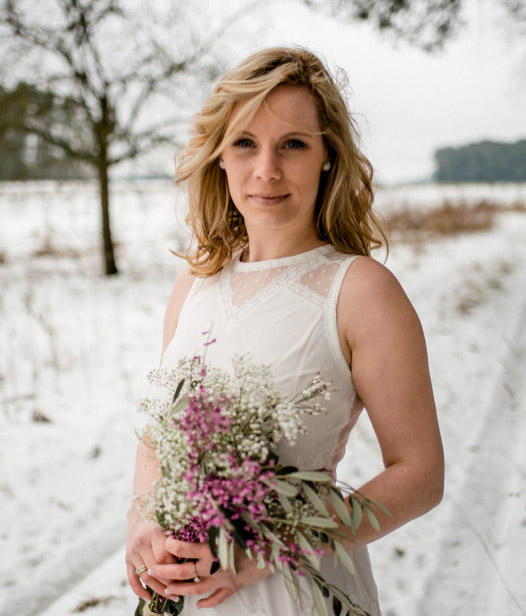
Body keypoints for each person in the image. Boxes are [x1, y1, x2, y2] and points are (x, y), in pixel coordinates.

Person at [126, 46, 444, 615]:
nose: (266, 170)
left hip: (298, 593)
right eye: (245, 143)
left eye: (293, 144)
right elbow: (160, 435)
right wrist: (144, 517)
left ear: (327, 156)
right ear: (219, 156)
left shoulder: (361, 291)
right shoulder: (194, 284)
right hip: (189, 593)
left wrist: (276, 546)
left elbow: (420, 475)